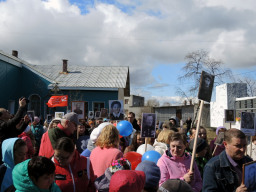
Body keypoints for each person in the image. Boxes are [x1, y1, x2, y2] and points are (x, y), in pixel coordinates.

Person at [0, 98, 29, 163]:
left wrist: (25, 123)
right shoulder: (1, 124)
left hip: (12, 149)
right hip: (5, 151)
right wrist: (21, 107)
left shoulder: (7, 123)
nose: (8, 112)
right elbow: (15, 120)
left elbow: (17, 132)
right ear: (1, 116)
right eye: (6, 111)